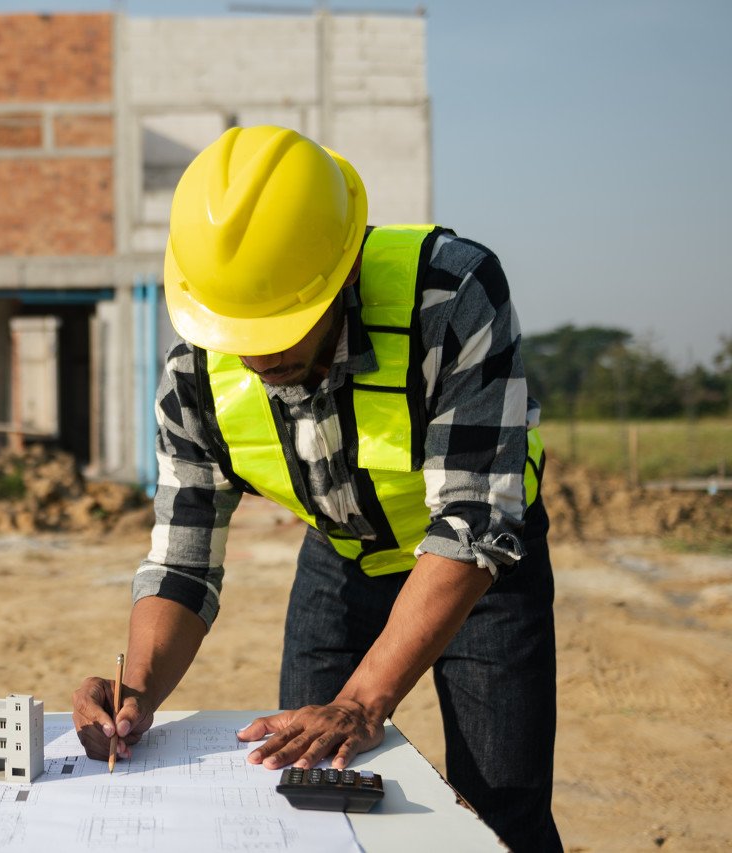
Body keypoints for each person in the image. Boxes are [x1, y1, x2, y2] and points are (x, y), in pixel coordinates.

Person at [72, 126, 560, 852]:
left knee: (499, 811)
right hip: (341, 555)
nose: (259, 354)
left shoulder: (450, 296)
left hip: (479, 571)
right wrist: (136, 690)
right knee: (301, 798)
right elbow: (181, 562)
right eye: (242, 331)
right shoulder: (196, 369)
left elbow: (471, 522)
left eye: (280, 328)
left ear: (342, 273)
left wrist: (363, 701)